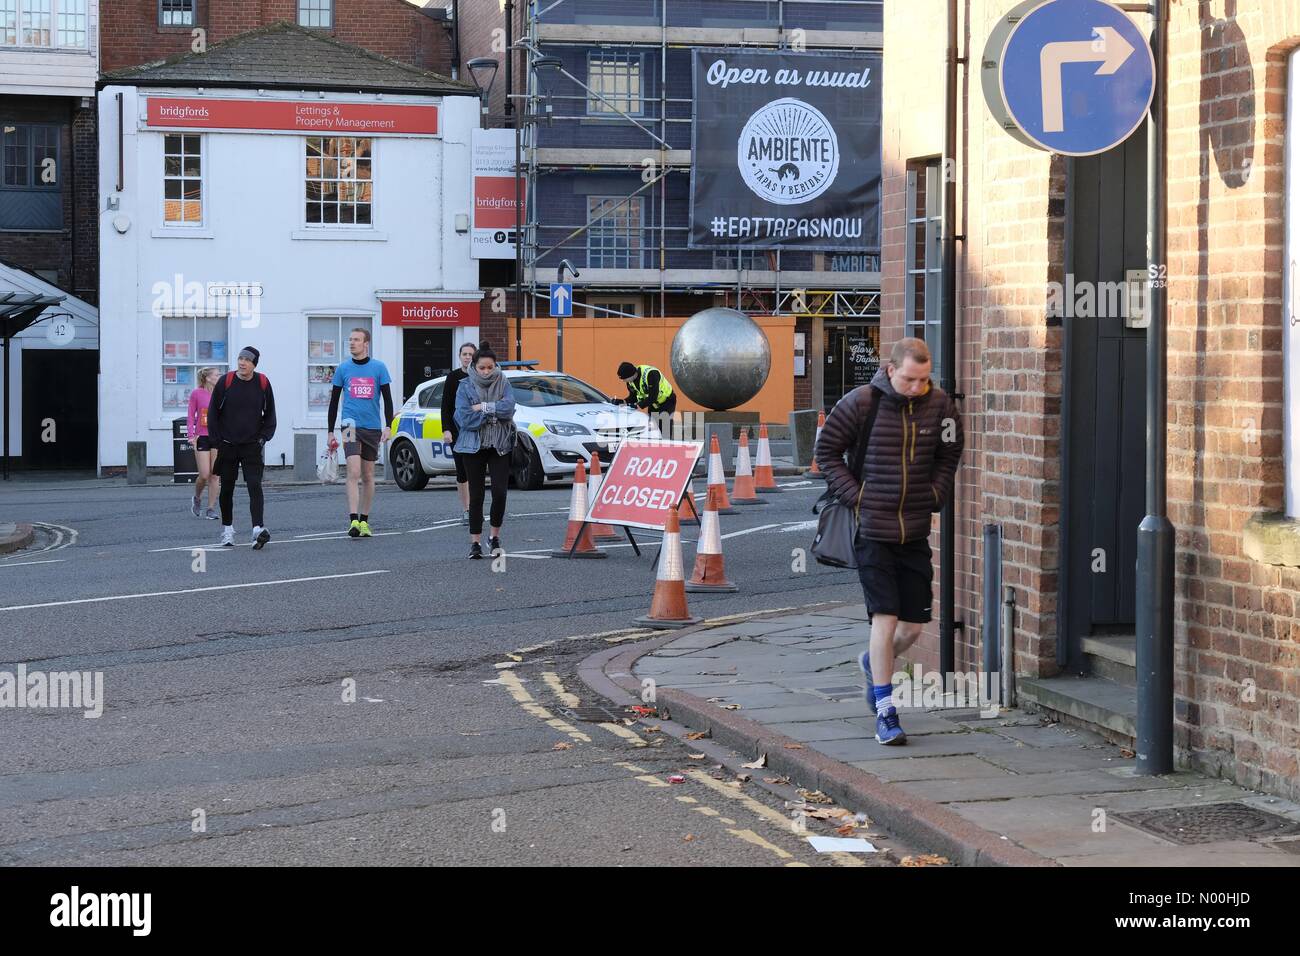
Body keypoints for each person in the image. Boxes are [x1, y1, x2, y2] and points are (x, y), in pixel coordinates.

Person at [815, 337, 963, 746]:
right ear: (891, 369)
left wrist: (936, 493)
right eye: (911, 379)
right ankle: (886, 710)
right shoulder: (863, 402)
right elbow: (826, 451)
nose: (918, 387)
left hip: (914, 530)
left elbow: (951, 453)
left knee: (913, 628)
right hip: (872, 530)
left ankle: (871, 663)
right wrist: (857, 496)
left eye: (924, 379)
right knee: (885, 618)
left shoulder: (941, 406)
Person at [327, 328, 395, 538]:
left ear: (366, 343)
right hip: (349, 425)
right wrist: (330, 431)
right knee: (353, 471)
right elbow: (334, 401)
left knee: (367, 475)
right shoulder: (343, 369)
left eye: (356, 340)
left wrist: (388, 426)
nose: (352, 343)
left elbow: (388, 400)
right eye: (350, 339)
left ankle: (364, 521)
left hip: (372, 426)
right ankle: (353, 520)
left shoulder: (379, 368)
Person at [209, 346, 277, 550]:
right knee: (227, 489)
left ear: (254, 364)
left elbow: (270, 414)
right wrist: (217, 441)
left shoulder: (263, 383)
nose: (242, 362)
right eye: (240, 358)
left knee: (254, 486)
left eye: (247, 360)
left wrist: (263, 438)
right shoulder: (226, 382)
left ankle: (257, 529)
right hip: (228, 445)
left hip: (252, 446)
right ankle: (227, 530)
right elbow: (213, 413)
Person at [454, 346, 517, 560]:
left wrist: (482, 407)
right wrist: (493, 412)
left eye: (490, 367)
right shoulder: (464, 386)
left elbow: (508, 409)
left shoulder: (504, 382)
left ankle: (495, 536)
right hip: (473, 447)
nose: (486, 371)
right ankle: (475, 542)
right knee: (477, 495)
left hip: (499, 445)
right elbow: (464, 419)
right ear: (474, 366)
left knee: (500, 492)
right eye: (482, 367)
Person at [440, 340, 479, 526]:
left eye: (471, 354)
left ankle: (476, 507)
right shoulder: (452, 378)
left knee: (476, 471)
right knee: (462, 471)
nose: (467, 357)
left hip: (476, 431)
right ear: (460, 356)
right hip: (457, 432)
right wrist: (446, 429)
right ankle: (466, 509)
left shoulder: (479, 376)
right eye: (465, 354)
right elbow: (445, 406)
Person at [187, 367, 221, 520]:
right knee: (204, 474)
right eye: (216, 375)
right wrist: (190, 435)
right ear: (207, 378)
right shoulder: (197, 393)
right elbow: (190, 416)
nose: (219, 376)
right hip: (202, 436)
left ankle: (211, 508)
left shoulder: (221, 393)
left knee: (215, 475)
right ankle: (197, 498)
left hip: (218, 437)